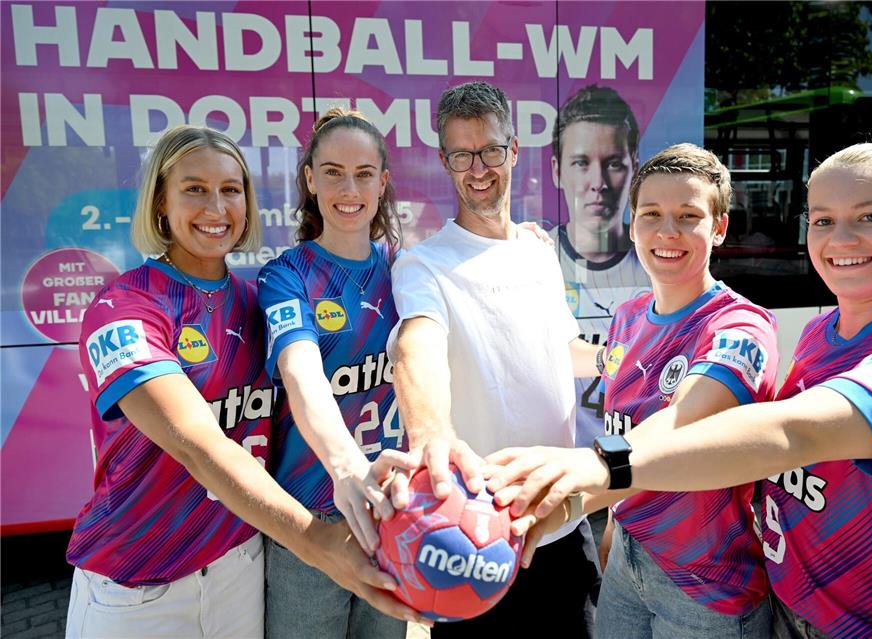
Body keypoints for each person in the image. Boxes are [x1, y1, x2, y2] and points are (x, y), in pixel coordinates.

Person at [489, 142, 872, 639]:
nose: (840, 238)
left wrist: (594, 474)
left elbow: (786, 432)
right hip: (776, 597)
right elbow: (612, 381)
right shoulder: (819, 334)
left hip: (823, 612)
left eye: (869, 216)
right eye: (822, 220)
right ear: (631, 225)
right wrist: (614, 520)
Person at [65, 125, 426, 639]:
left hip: (239, 565)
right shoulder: (124, 307)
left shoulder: (253, 299)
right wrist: (314, 539)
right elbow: (200, 447)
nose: (216, 208)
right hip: (138, 583)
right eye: (194, 189)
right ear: (160, 203)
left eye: (231, 190)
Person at [506, 143, 777, 638]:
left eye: (688, 215)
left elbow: (676, 427)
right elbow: (622, 429)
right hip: (627, 561)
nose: (667, 231)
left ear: (718, 228)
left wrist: (570, 496)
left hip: (704, 586)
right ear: (632, 225)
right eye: (651, 213)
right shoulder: (629, 318)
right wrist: (613, 523)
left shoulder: (739, 325)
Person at [386, 81, 603, 637]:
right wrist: (430, 435)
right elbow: (417, 347)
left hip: (563, 518)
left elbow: (561, 352)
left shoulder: (538, 248)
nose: (478, 168)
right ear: (444, 160)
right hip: (477, 536)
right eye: (462, 154)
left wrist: (632, 364)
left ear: (514, 150)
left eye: (490, 150)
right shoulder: (422, 264)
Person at [256, 108, 414, 639]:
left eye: (364, 174)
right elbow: (302, 376)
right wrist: (347, 468)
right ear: (309, 179)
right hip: (311, 521)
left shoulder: (406, 268)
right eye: (333, 172)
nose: (350, 188)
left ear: (383, 182)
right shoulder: (287, 274)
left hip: (391, 514)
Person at [549, 85, 652, 554]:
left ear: (633, 169)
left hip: (642, 479)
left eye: (613, 163)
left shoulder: (662, 266)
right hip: (567, 482)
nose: (598, 181)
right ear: (557, 171)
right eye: (581, 163)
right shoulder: (532, 260)